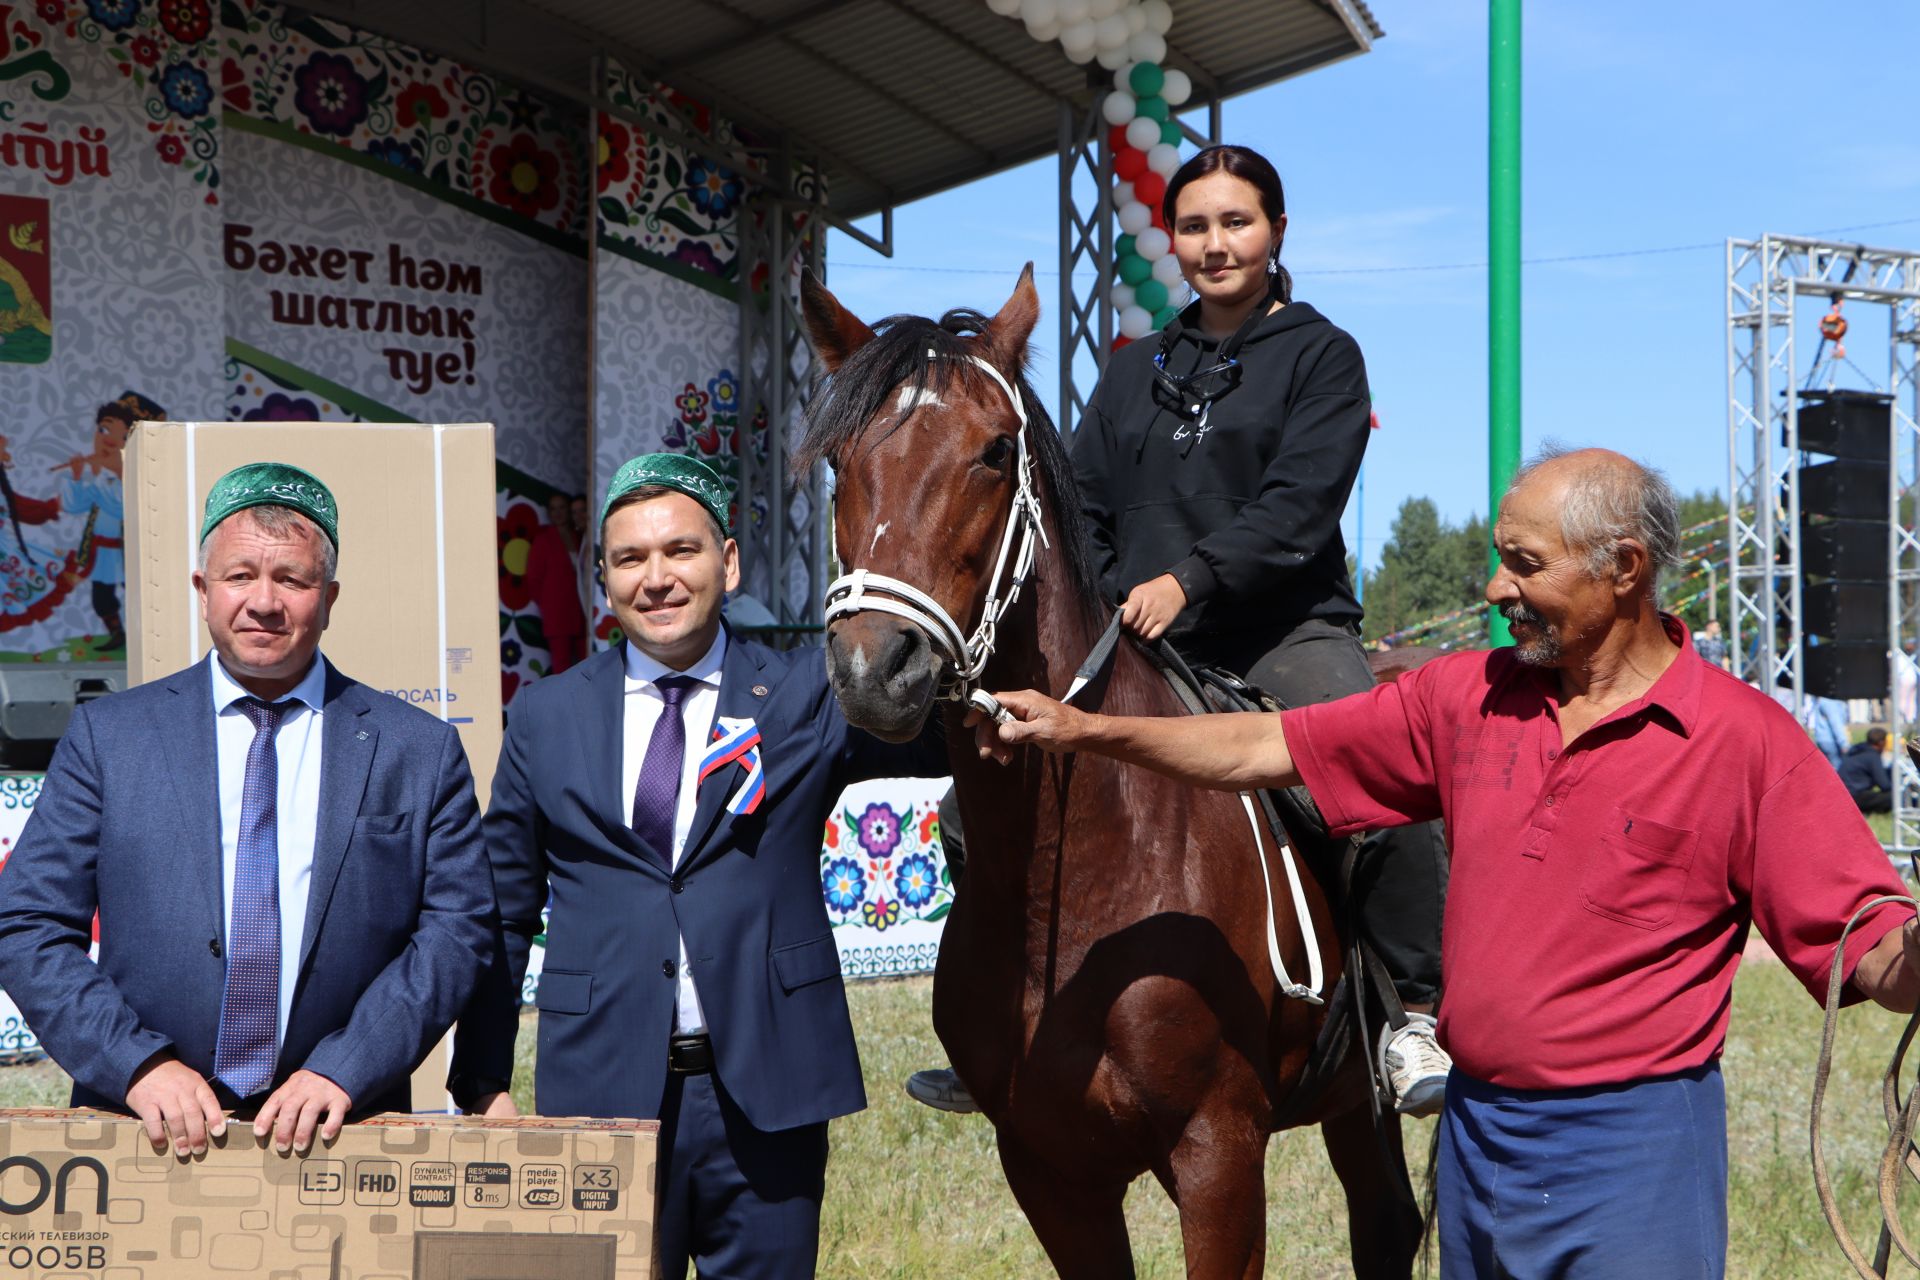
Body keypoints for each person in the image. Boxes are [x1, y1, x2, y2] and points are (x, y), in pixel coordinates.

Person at [970, 447, 1920, 1279]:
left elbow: (1873, 952)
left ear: (1625, 570)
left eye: (1524, 564)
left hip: (1634, 1154)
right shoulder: (1464, 697)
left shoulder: (1744, 740)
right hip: (1477, 1142)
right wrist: (1089, 730)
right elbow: (1267, 750)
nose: (1498, 587)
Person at [911, 142, 1451, 1118]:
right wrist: (1106, 599)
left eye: (1236, 221)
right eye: (1195, 226)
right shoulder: (1132, 373)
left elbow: (1299, 508)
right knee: (966, 803)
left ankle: (1415, 1009)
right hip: (1142, 637)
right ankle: (1000, 1023)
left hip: (1286, 632)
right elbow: (1080, 509)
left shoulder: (1325, 356)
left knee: (1384, 779)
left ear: (1277, 231)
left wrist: (1188, 578)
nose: (1215, 243)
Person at [451, 454, 945, 1280]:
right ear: (601, 579)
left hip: (766, 1094)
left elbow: (937, 729)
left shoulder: (803, 697)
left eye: (681, 550)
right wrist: (482, 1081)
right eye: (629, 559)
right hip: (599, 1093)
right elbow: (502, 909)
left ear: (730, 562)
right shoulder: (546, 714)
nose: (657, 578)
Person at [0, 462, 495, 1157]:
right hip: (142, 1130)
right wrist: (137, 1065)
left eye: (292, 579)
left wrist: (346, 1068)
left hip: (342, 1132)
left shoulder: (417, 750)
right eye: (239, 576)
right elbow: (26, 924)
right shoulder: (110, 737)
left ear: (329, 597)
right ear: (203, 591)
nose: (264, 602)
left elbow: (458, 932)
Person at [527, 490, 587, 673]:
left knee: (589, 664)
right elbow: (533, 581)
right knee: (561, 668)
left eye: (562, 508)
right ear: (549, 513)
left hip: (581, 613)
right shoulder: (543, 540)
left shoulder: (579, 536)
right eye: (554, 509)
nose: (558, 513)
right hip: (557, 616)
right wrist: (550, 604)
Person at [1839, 727, 1895, 814]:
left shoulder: (1855, 750)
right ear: (1881, 743)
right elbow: (1884, 785)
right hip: (1855, 796)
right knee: (1894, 796)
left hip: (1842, 795)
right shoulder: (1872, 756)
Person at [1803, 691, 1851, 770]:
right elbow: (1836, 723)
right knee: (1838, 770)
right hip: (1830, 740)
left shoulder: (1821, 700)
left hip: (1822, 738)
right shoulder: (1830, 702)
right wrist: (1844, 744)